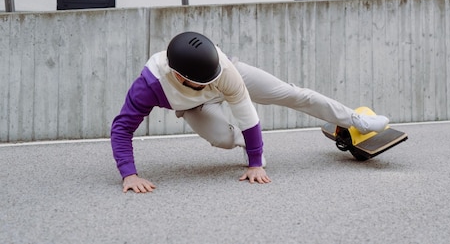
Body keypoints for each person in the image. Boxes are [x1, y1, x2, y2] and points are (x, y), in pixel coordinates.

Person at [111, 31, 390, 193]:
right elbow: (122, 128)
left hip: (235, 79)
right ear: (179, 76)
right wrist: (129, 174)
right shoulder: (148, 87)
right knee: (222, 139)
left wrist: (255, 164)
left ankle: (358, 120)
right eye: (204, 79)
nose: (213, 78)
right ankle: (243, 144)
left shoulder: (223, 71)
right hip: (194, 105)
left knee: (292, 94)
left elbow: (247, 115)